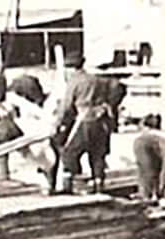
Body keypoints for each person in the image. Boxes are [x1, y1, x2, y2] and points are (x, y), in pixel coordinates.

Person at [52, 64, 125, 194]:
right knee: (97, 154)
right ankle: (99, 185)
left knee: (69, 153)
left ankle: (69, 186)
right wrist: (110, 106)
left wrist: (58, 123)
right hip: (101, 121)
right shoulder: (100, 79)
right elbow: (120, 88)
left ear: (71, 69)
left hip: (84, 120)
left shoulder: (75, 81)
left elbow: (67, 106)